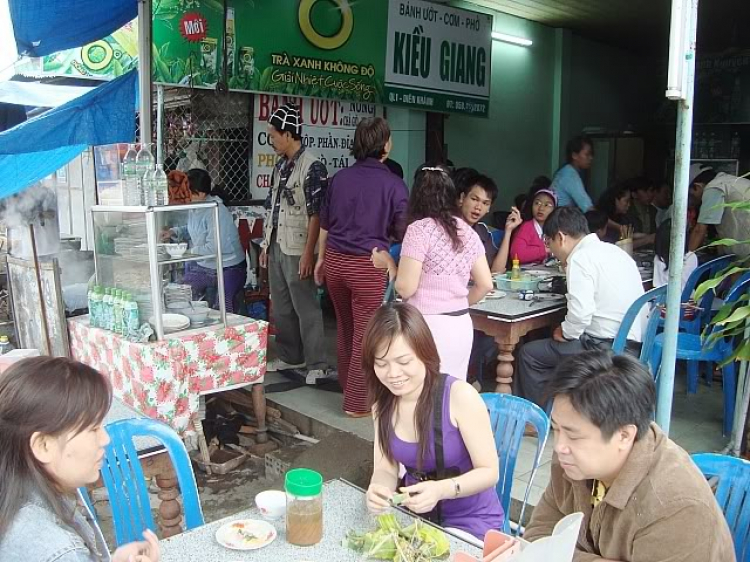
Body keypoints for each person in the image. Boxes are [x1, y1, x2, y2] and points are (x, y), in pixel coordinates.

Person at [524, 350, 735, 561]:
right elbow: (537, 538)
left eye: (574, 436)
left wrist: (562, 555)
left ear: (624, 436)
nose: (560, 446)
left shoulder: (675, 506)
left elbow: (546, 552)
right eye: (556, 429)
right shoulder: (572, 461)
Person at [363, 303, 503, 541]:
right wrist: (379, 491)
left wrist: (441, 489)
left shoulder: (460, 396)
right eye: (381, 364)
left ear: (424, 353)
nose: (393, 374)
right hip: (415, 520)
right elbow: (386, 468)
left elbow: (490, 472)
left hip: (471, 522)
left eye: (404, 361)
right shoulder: (383, 405)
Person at [0, 357, 160, 562]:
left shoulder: (16, 496)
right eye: (93, 429)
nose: (105, 438)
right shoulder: (60, 550)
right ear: (44, 445)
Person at [315, 117, 409, 417]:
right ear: (386, 145)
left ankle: (349, 387)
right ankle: (356, 404)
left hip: (335, 262)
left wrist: (320, 259)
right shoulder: (394, 184)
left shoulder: (339, 178)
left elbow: (325, 224)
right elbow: (404, 230)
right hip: (367, 266)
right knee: (364, 337)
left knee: (346, 328)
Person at [515, 207, 645, 407]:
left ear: (560, 237)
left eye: (549, 243)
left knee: (529, 354)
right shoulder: (614, 250)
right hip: (633, 343)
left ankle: (536, 417)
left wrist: (566, 332)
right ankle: (562, 406)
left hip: (606, 348)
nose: (550, 251)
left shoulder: (580, 258)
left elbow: (581, 314)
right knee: (553, 348)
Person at [371, 165, 493, 378]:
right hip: (461, 325)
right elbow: (485, 284)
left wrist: (390, 265)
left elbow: (405, 287)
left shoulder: (419, 230)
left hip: (426, 326)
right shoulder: (466, 230)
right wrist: (457, 303)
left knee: (423, 395)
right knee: (451, 394)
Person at [260, 103, 333, 382]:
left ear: (289, 134)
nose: (272, 141)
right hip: (278, 244)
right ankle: (291, 356)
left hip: (299, 247)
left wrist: (308, 254)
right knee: (281, 305)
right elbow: (273, 208)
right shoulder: (280, 166)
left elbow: (316, 215)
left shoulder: (313, 166)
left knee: (306, 307)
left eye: (274, 135)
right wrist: (266, 245)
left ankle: (317, 362)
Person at [165, 168, 247, 313]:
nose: (184, 195)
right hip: (206, 267)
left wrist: (186, 253)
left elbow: (213, 248)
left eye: (187, 191)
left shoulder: (216, 211)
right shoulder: (195, 207)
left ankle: (227, 332)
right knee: (180, 292)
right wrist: (173, 232)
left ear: (201, 193)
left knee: (223, 305)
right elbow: (193, 229)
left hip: (229, 268)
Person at [453, 168, 522, 273]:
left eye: (485, 203)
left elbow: (496, 271)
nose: (478, 207)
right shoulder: (447, 229)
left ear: (489, 208)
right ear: (462, 198)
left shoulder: (483, 232)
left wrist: (508, 231)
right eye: (474, 199)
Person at [688, 163, 750, 257]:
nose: (692, 200)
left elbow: (699, 230)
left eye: (691, 196)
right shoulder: (726, 181)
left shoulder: (713, 188)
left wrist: (685, 260)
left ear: (697, 187)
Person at [598, 182, 654, 248]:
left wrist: (644, 236)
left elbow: (626, 236)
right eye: (626, 201)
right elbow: (618, 246)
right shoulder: (599, 219)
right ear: (615, 200)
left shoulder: (623, 217)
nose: (629, 205)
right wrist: (647, 240)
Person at [509, 188, 557, 265]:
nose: (541, 208)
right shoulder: (526, 228)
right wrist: (544, 250)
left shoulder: (555, 230)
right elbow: (516, 255)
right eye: (537, 203)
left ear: (554, 209)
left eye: (547, 205)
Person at [550, 135, 594, 211]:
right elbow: (588, 208)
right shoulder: (570, 175)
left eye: (591, 154)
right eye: (587, 154)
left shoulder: (565, 171)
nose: (591, 158)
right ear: (574, 155)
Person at [653, 219, 698, 290]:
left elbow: (656, 285)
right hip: (688, 298)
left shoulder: (658, 258)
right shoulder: (691, 257)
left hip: (662, 299)